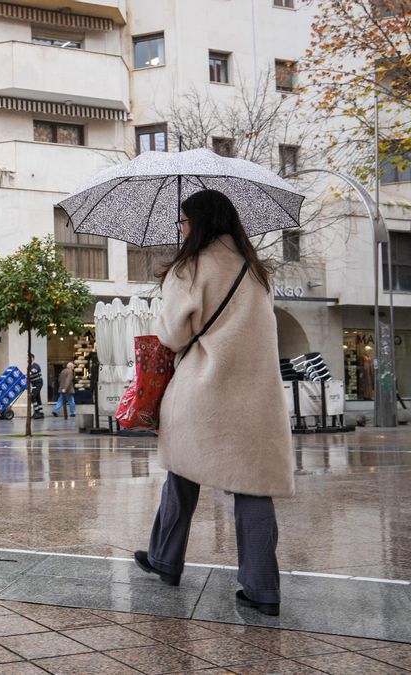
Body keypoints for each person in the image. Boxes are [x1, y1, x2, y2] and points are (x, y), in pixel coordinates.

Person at [133, 189, 293, 617]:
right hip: (256, 399)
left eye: (184, 221)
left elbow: (173, 336)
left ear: (199, 223)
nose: (182, 229)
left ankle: (165, 559)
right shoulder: (257, 271)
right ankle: (263, 588)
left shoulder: (189, 268)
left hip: (202, 393)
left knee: (182, 474)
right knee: (253, 487)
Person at [27, 353, 44, 419]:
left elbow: (33, 371)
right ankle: (41, 413)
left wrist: (28, 374)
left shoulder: (36, 365)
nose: (28, 359)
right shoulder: (28, 367)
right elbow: (28, 377)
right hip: (34, 384)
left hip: (38, 383)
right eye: (27, 358)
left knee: (32, 396)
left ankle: (37, 412)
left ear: (33, 358)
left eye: (29, 358)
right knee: (37, 398)